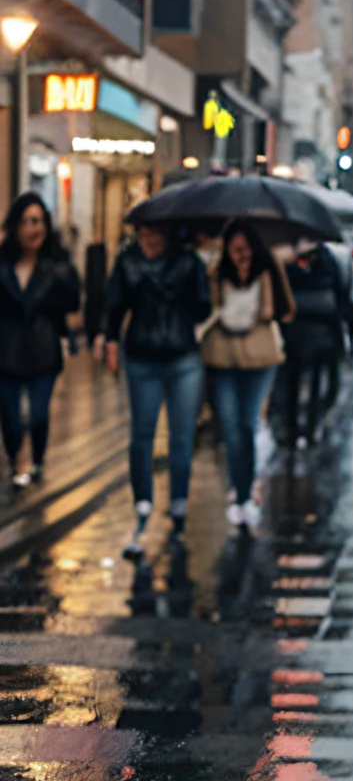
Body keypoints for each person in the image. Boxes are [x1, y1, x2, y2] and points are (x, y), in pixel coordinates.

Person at [104, 222, 211, 554]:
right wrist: (108, 341)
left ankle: (177, 507)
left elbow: (202, 308)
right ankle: (143, 506)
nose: (149, 236)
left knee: (181, 437)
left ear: (168, 232)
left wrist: (198, 278)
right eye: (143, 230)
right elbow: (115, 304)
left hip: (183, 358)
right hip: (141, 357)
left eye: (155, 230)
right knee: (142, 435)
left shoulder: (189, 261)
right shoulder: (127, 260)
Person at [202, 218, 293, 530]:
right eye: (233, 249)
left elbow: (280, 311)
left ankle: (243, 495)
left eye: (244, 248)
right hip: (223, 357)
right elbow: (209, 310)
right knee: (230, 428)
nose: (239, 254)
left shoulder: (267, 270)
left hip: (260, 357)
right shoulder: (217, 274)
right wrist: (217, 276)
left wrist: (266, 278)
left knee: (246, 423)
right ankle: (240, 491)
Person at [0, 193, 80, 488]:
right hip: (6, 351)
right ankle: (14, 458)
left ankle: (36, 461)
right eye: (27, 221)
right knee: (9, 416)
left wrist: (64, 271)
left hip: (42, 350)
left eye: (39, 221)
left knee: (37, 415)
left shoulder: (55, 265)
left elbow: (71, 303)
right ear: (16, 226)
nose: (34, 228)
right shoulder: (3, 264)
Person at [281, 240, 348, 447]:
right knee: (296, 382)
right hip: (299, 329)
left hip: (315, 330)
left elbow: (338, 293)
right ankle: (295, 429)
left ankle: (304, 429)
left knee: (312, 382)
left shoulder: (324, 258)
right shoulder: (290, 258)